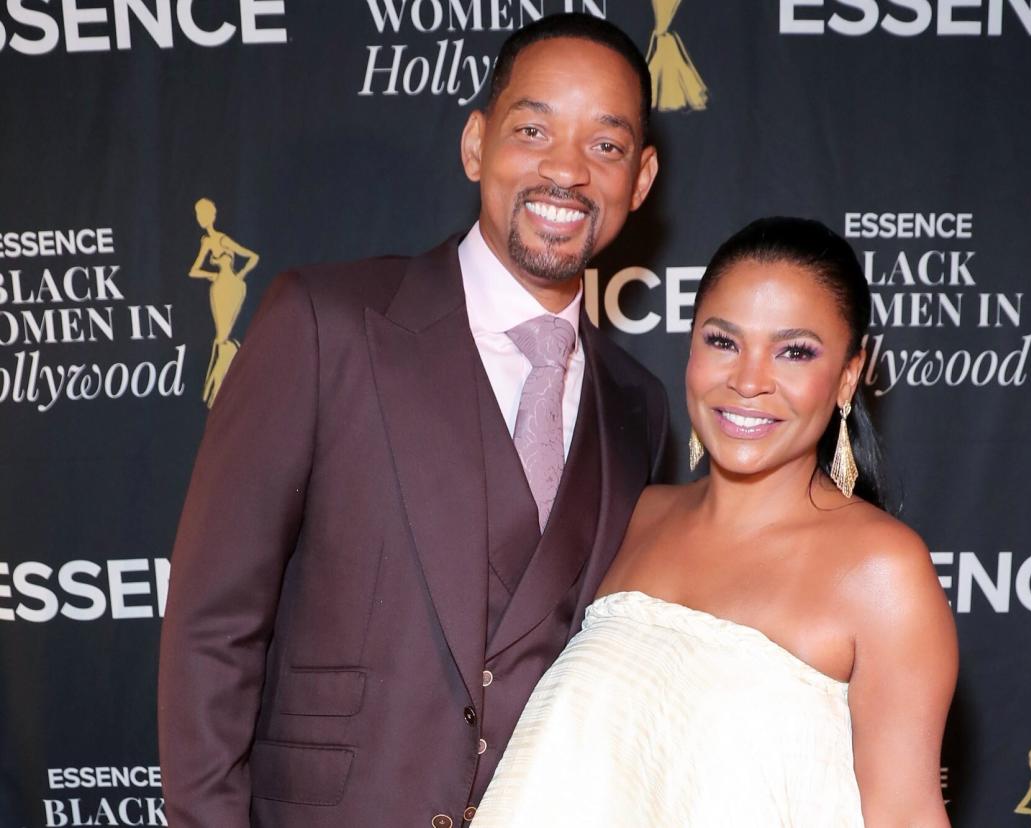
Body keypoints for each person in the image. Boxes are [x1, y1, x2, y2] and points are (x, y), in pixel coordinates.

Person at [157, 14, 665, 828]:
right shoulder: (325, 324)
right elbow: (213, 623)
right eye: (533, 129)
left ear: (639, 180)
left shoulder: (640, 406)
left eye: (604, 146)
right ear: (475, 144)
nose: (566, 170)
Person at [473, 217, 958, 827]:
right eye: (723, 341)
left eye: (794, 351)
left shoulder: (882, 570)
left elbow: (906, 814)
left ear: (848, 376)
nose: (749, 380)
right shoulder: (635, 517)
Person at [188, 197, 260, 408]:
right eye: (198, 215)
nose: (201, 219)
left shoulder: (222, 240)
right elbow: (193, 270)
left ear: (211, 215)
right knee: (221, 336)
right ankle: (223, 387)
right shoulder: (207, 242)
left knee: (223, 336)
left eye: (203, 214)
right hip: (219, 286)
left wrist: (240, 275)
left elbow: (252, 256)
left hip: (233, 286)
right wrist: (212, 275)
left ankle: (224, 387)